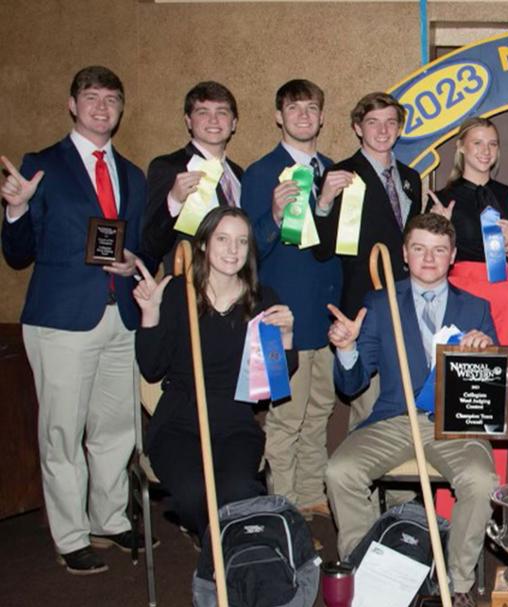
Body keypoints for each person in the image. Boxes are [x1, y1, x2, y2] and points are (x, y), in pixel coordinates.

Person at [1, 66, 149, 575]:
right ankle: (70, 535)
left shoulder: (132, 174)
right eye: (91, 98)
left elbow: (139, 242)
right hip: (62, 321)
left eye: (111, 99)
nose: (101, 108)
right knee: (62, 432)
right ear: (72, 104)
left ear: (121, 108)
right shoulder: (42, 166)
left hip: (120, 315)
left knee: (116, 428)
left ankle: (107, 518)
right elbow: (19, 253)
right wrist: (16, 211)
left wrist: (132, 262)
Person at [324, 214, 498, 607]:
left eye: (439, 250)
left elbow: (494, 390)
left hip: (454, 426)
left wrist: (484, 353)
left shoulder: (477, 309)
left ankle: (457, 582)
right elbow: (350, 385)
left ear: (453, 256)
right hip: (393, 420)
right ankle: (366, 571)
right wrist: (347, 348)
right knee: (340, 470)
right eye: (419, 249)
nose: (429, 258)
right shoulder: (379, 304)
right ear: (405, 253)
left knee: (481, 479)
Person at [134, 207, 297, 540]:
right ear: (204, 244)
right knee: (194, 495)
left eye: (241, 241)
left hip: (235, 422)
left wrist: (286, 339)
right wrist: (150, 313)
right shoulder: (178, 294)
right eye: (222, 239)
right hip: (178, 421)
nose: (232, 250)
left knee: (239, 491)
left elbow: (272, 387)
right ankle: (218, 544)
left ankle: (227, 551)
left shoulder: (263, 301)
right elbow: (151, 368)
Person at [241, 79, 343, 519]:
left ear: (322, 117)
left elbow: (338, 242)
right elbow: (247, 251)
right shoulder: (261, 172)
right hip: (283, 317)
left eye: (312, 108)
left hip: (325, 314)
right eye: (294, 108)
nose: (304, 115)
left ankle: (309, 490)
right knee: (285, 416)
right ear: (279, 117)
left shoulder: (335, 171)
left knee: (319, 408)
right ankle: (282, 500)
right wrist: (275, 215)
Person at [318, 91, 422, 427]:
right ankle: (360, 479)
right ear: (357, 128)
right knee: (368, 410)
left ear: (399, 129)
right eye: (373, 122)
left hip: (406, 305)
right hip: (364, 306)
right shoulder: (340, 175)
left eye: (391, 122)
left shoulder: (411, 179)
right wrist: (324, 204)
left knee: (405, 405)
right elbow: (322, 249)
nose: (382, 130)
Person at [429, 116, 508, 346]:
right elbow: (425, 259)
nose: (485, 150)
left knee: (501, 373)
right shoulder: (442, 199)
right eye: (477, 143)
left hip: (503, 294)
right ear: (460, 146)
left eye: (492, 144)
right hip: (461, 293)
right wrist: (440, 230)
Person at [142, 81, 244, 272]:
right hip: (187, 289)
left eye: (222, 112)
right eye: (203, 112)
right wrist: (173, 201)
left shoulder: (239, 175)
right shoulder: (169, 167)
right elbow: (151, 245)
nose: (213, 120)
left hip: (234, 290)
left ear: (234, 123)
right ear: (188, 121)